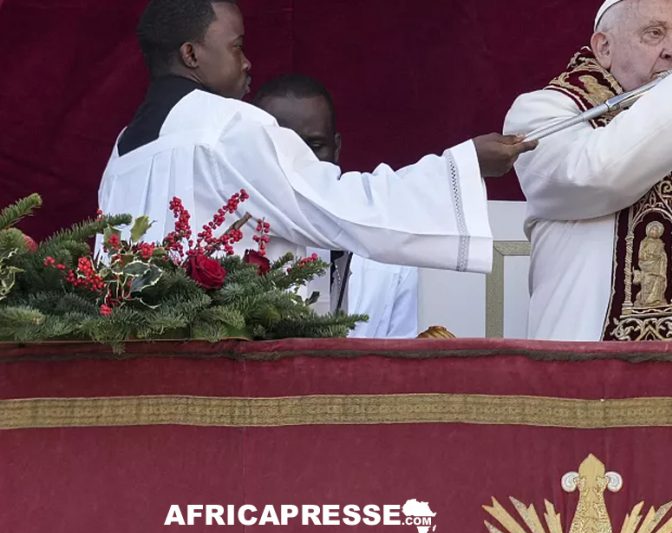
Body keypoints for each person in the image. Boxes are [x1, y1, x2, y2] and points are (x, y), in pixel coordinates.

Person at [99, 0, 535, 277]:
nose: (249, 63)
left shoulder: (122, 152)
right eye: (237, 46)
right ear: (191, 54)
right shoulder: (227, 127)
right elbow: (340, 207)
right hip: (229, 373)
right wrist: (462, 165)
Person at [504, 0, 672, 341]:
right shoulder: (545, 111)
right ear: (605, 47)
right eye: (654, 34)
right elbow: (599, 177)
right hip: (595, 374)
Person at [254, 74, 418, 338]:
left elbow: (399, 363)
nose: (301, 162)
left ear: (337, 148)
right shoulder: (222, 237)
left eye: (315, 146)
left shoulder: (387, 247)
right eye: (283, 147)